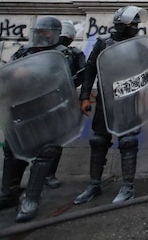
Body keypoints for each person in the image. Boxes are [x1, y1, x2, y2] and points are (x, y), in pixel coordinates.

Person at [0, 16, 80, 222]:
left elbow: (74, 78)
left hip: (50, 109)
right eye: (40, 32)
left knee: (47, 151)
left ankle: (31, 198)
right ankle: (8, 194)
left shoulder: (66, 55)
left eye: (47, 33)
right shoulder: (24, 52)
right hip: (22, 109)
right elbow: (4, 76)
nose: (42, 36)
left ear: (55, 34)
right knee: (13, 149)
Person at [74, 6, 148, 205]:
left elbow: (146, 72)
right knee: (98, 141)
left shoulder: (138, 45)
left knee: (128, 141)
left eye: (136, 23)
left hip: (129, 100)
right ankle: (94, 184)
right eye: (131, 23)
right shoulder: (103, 44)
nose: (135, 26)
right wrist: (84, 97)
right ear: (120, 23)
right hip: (106, 100)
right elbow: (90, 71)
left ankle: (127, 186)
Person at [43, 20, 86, 189]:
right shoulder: (38, 52)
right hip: (36, 101)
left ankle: (48, 173)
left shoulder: (73, 54)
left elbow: (83, 74)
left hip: (60, 100)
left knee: (55, 140)